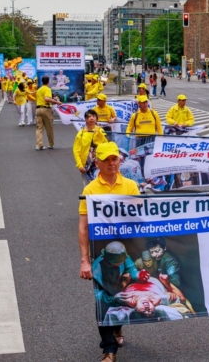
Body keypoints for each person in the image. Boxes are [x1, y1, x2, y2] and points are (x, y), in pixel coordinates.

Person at [79, 142, 141, 362]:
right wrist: (85, 261)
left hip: (125, 253)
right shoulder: (90, 190)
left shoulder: (132, 186)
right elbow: (84, 227)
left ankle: (117, 328)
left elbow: (140, 219)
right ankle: (109, 350)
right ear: (97, 163)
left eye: (114, 158)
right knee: (103, 300)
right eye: (105, 159)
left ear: (120, 160)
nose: (111, 163)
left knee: (123, 294)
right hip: (102, 255)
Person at [73, 109, 108, 182]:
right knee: (87, 187)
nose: (91, 118)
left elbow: (106, 146)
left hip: (99, 164)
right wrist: (79, 165)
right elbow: (76, 150)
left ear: (96, 119)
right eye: (89, 117)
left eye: (93, 116)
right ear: (86, 119)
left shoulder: (101, 131)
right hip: (86, 165)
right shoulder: (81, 134)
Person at [35, 76, 59, 150]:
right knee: (49, 128)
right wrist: (56, 102)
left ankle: (39, 145)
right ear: (48, 81)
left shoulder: (39, 90)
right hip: (46, 109)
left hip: (38, 109)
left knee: (39, 128)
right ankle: (50, 144)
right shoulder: (48, 89)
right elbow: (46, 98)